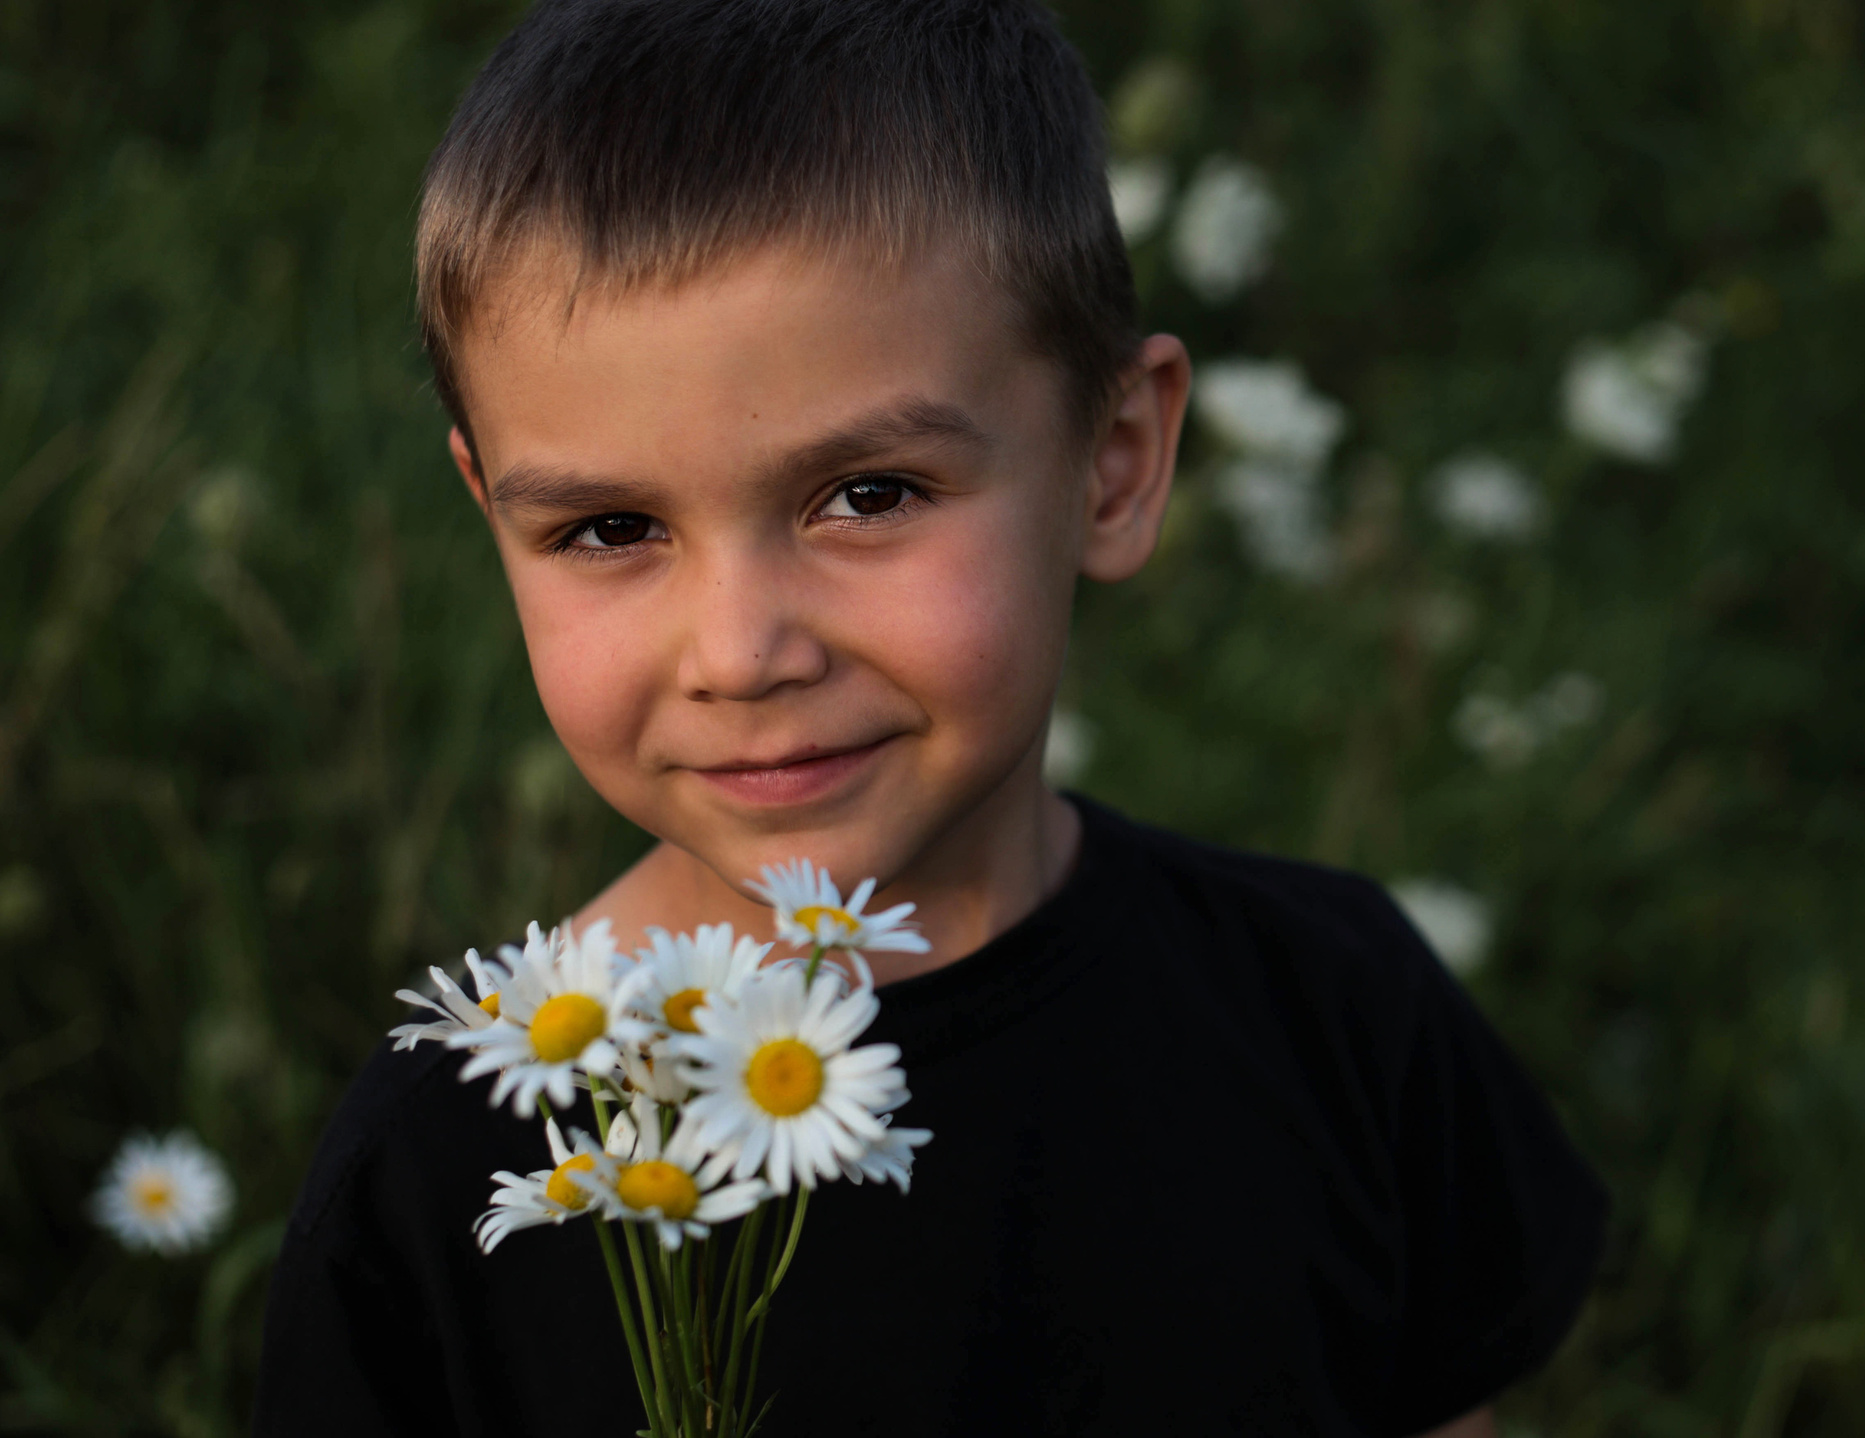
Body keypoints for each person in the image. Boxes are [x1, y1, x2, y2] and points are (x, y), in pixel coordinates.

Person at [251, 1, 1606, 1432]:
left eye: (869, 495)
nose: (741, 654)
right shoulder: (443, 1172)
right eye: (608, 528)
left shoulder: (1340, 1015)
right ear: (490, 514)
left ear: (1113, 462)